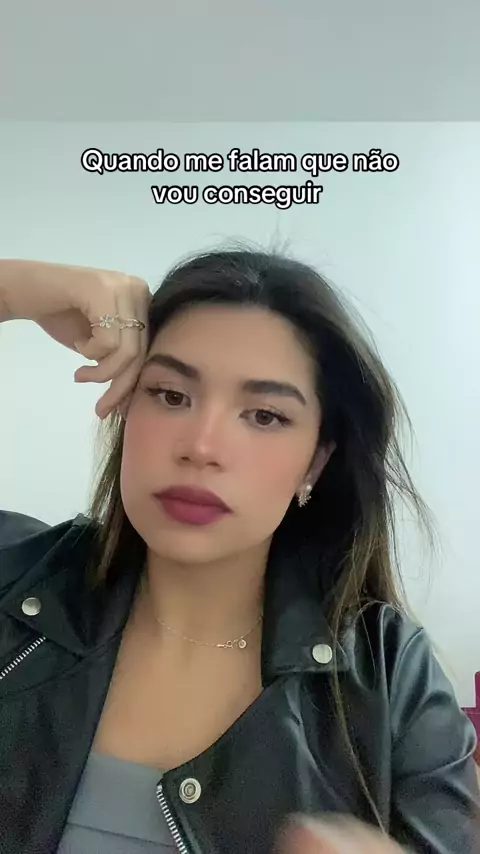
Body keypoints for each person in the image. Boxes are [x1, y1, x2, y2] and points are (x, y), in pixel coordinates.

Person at [0, 251, 478, 854]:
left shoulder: (388, 680)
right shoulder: (14, 580)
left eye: (265, 416)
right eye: (170, 395)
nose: (201, 446)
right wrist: (13, 288)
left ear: (316, 461)